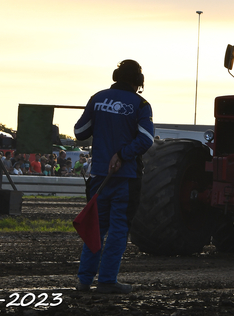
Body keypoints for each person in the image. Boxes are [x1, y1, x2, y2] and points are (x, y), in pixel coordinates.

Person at [74, 59, 154, 294]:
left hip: (99, 176)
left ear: (116, 76)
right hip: (126, 178)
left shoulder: (97, 98)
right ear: (138, 81)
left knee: (95, 228)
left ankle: (84, 280)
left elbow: (79, 132)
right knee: (119, 229)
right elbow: (147, 140)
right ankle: (107, 280)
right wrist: (122, 154)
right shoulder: (141, 104)